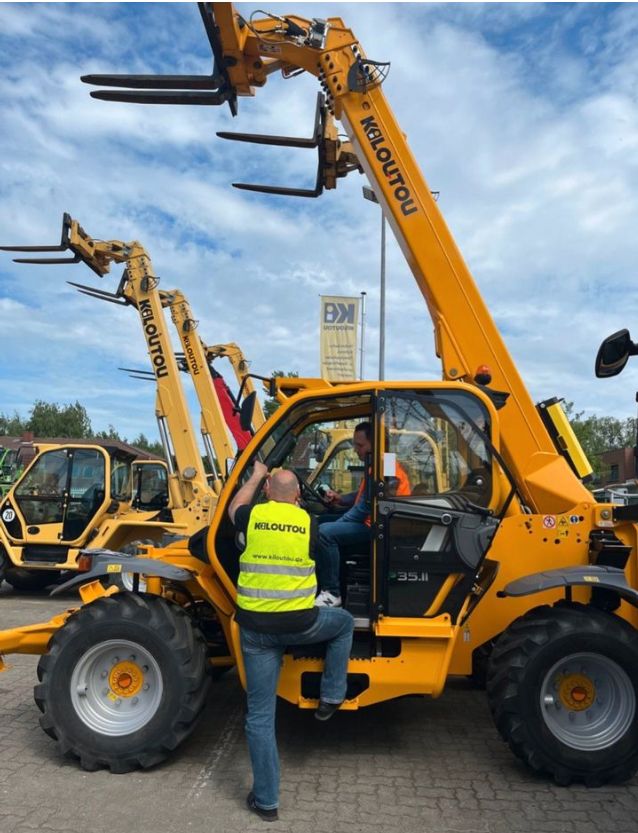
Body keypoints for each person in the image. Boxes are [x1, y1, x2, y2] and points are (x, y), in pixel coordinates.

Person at [229, 461, 354, 823]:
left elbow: (235, 507)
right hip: (300, 625)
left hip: (255, 630)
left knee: (260, 717)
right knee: (344, 624)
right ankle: (332, 694)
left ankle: (267, 802)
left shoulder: (250, 518)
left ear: (267, 491)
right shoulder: (309, 524)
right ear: (298, 497)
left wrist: (254, 476)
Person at [315, 421, 410, 607]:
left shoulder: (385, 466)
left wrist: (340, 523)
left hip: (382, 528)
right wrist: (340, 498)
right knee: (321, 522)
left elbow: (366, 507)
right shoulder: (378, 464)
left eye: (360, 445)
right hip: (372, 522)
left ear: (375, 443)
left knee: (325, 533)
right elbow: (362, 497)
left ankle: (332, 593)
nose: (356, 450)